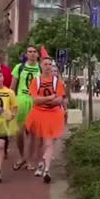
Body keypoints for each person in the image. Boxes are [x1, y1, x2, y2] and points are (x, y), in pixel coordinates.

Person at [26, 49, 66, 183]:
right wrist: (50, 97)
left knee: (49, 142)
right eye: (45, 64)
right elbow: (35, 100)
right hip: (38, 114)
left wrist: (47, 99)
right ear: (40, 65)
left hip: (53, 114)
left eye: (50, 64)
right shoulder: (36, 81)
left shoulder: (57, 82)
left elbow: (59, 100)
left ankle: (47, 170)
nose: (48, 66)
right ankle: (40, 164)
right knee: (39, 143)